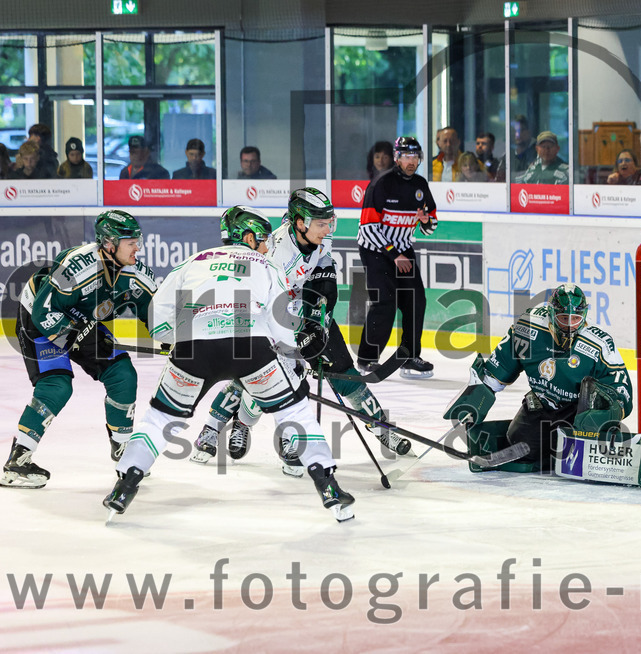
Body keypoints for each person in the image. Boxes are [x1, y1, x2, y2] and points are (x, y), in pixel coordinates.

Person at [103, 207, 355, 523]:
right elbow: (282, 324)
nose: (266, 247)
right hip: (251, 348)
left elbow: (156, 321)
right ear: (247, 237)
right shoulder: (266, 265)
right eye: (262, 240)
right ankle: (329, 490)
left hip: (193, 349)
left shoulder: (191, 263)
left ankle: (124, 486)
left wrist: (180, 338)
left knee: (159, 419)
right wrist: (296, 360)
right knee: (295, 411)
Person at [191, 189, 410, 468]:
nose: (328, 229)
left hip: (304, 303)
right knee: (259, 374)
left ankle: (380, 427)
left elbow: (325, 280)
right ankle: (220, 427)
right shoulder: (274, 253)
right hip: (273, 315)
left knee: (342, 367)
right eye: (321, 224)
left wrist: (317, 322)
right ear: (299, 223)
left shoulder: (322, 234)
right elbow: (266, 305)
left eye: (329, 222)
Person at [443, 283, 641, 490]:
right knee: (523, 449)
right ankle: (554, 449)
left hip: (579, 414)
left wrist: (604, 411)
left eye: (576, 318)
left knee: (594, 458)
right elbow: (495, 374)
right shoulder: (526, 329)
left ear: (584, 316)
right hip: (541, 407)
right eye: (563, 317)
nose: (570, 324)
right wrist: (477, 397)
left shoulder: (598, 343)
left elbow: (624, 395)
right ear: (551, 314)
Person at [2, 210, 157, 489]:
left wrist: (181, 339)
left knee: (123, 375)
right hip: (39, 318)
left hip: (83, 320)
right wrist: (79, 337)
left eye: (138, 241)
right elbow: (44, 312)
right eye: (130, 242)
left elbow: (158, 313)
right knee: (56, 385)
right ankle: (17, 461)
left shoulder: (135, 274)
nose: (138, 248)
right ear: (110, 244)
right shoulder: (76, 266)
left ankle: (123, 452)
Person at [357, 137, 438, 378]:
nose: (411, 161)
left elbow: (431, 225)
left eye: (415, 156)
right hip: (376, 250)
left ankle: (409, 356)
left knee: (416, 301)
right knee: (385, 302)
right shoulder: (381, 184)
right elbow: (368, 228)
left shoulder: (421, 185)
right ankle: (366, 359)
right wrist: (394, 255)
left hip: (403, 250)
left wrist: (426, 221)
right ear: (396, 158)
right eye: (406, 156)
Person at [495, 114, 536, 182]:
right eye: (515, 131)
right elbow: (499, 180)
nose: (517, 134)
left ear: (529, 132)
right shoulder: (508, 156)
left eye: (521, 130)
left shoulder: (539, 153)